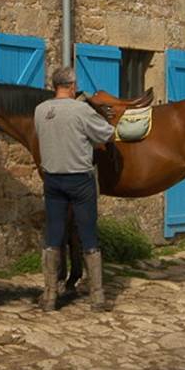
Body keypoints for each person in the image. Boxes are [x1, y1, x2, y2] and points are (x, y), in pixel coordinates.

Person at [33, 65, 115, 312]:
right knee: (88, 233)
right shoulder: (81, 110)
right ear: (70, 86)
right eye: (74, 84)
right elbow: (107, 134)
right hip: (79, 180)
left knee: (53, 235)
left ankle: (49, 296)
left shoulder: (40, 110)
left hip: (52, 180)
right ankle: (97, 297)